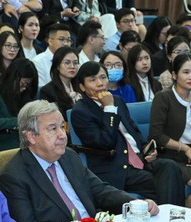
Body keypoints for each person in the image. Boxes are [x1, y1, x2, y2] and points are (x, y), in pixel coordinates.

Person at [0, 100, 158, 222]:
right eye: (53, 129)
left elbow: (100, 190)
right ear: (31, 136)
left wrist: (135, 205)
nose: (62, 135)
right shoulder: (14, 176)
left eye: (62, 127)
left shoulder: (68, 156)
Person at [71, 61, 185, 206]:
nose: (100, 83)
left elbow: (133, 130)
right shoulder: (81, 112)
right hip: (117, 167)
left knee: (170, 166)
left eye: (103, 77)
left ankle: (169, 216)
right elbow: (105, 142)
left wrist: (147, 149)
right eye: (93, 80)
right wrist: (109, 109)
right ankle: (171, 219)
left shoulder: (117, 100)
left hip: (139, 160)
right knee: (167, 182)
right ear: (82, 87)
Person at [149, 53, 191, 211]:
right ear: (174, 75)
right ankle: (177, 219)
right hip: (172, 157)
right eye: (186, 72)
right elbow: (156, 135)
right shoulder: (163, 97)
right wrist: (186, 148)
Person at [0, 59, 38, 152]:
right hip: (6, 143)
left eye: (27, 85)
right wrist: (20, 121)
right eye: (23, 84)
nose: (24, 88)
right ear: (13, 78)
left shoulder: (23, 95)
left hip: (27, 141)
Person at [39, 47, 81, 118]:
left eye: (75, 63)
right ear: (57, 66)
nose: (72, 66)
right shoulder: (48, 91)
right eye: (67, 63)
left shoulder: (81, 87)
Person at [32, 23, 72, 88]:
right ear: (50, 41)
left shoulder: (72, 61)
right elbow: (41, 90)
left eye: (69, 40)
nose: (66, 43)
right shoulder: (38, 62)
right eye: (61, 39)